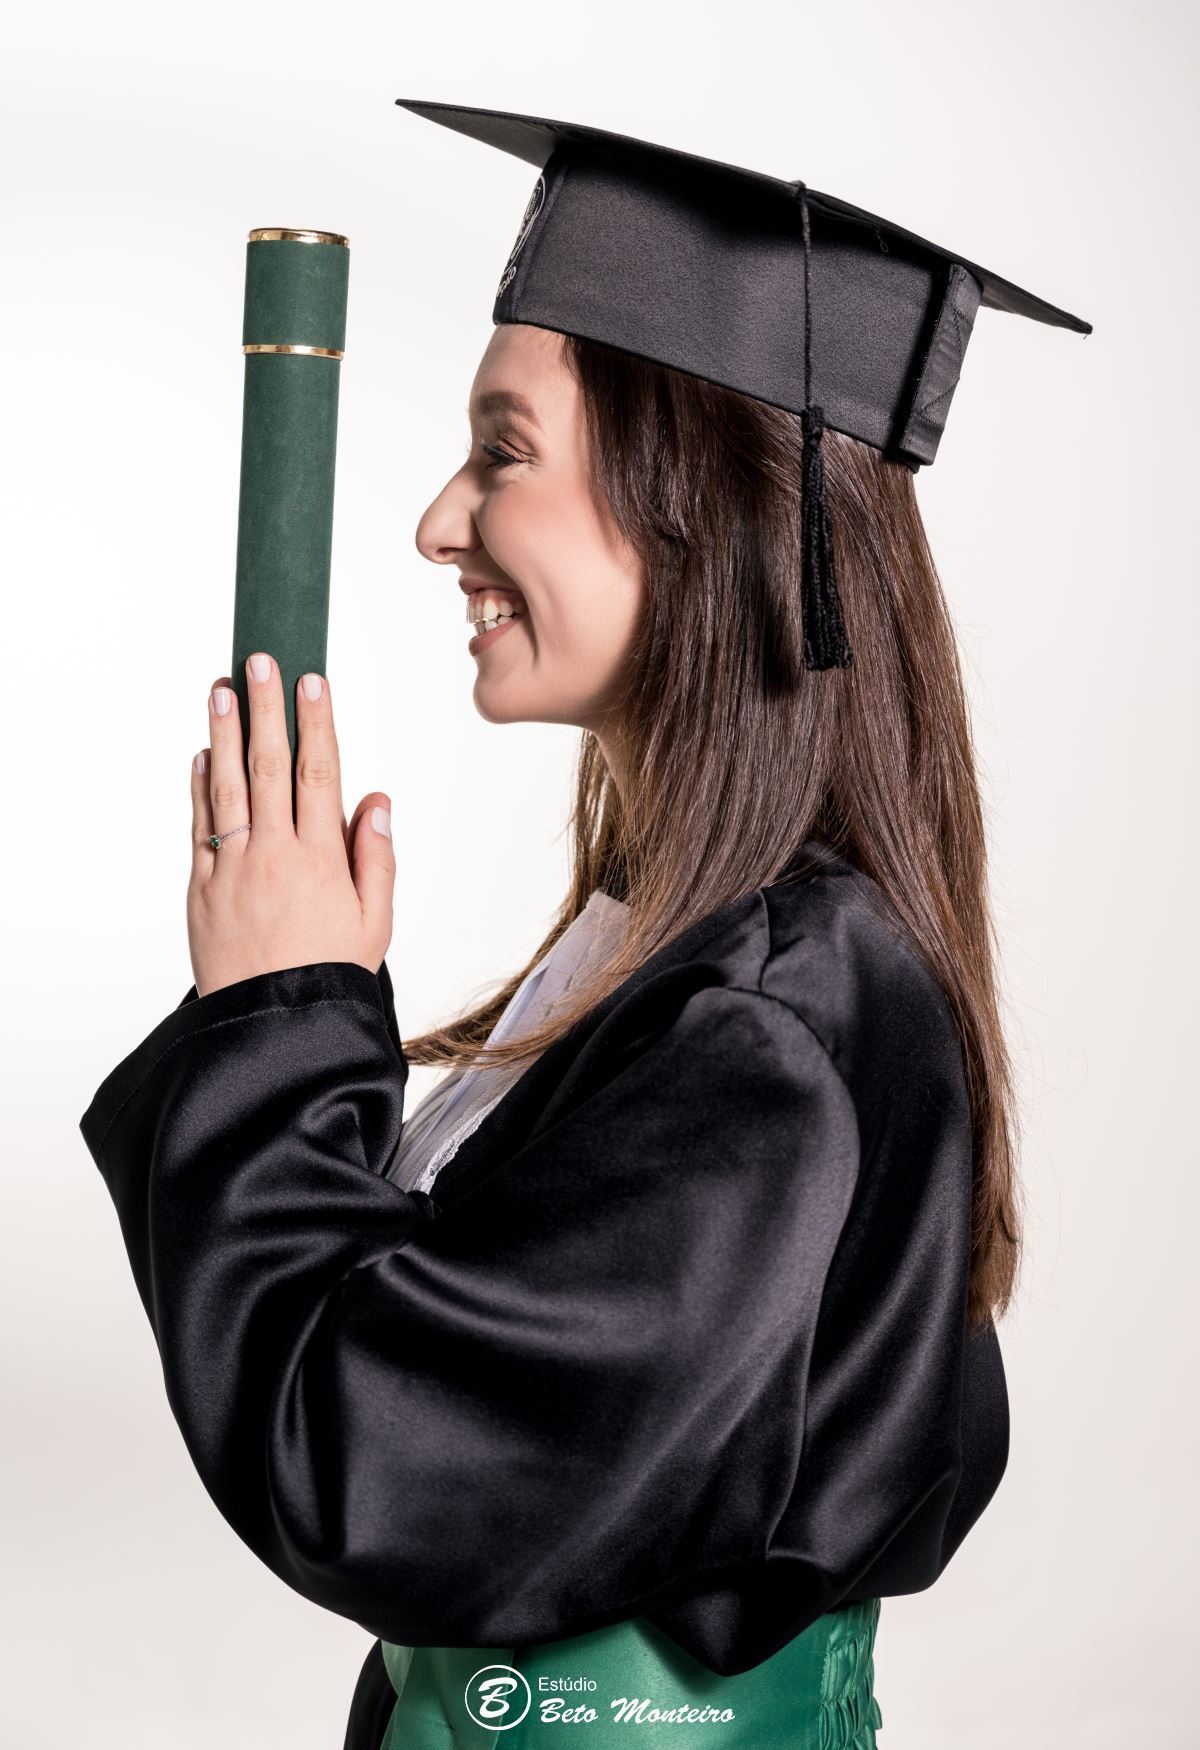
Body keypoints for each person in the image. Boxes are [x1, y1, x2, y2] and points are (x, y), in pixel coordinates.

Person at [79, 102, 1091, 1749]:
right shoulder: (685, 949)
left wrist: (279, 1022)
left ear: (697, 494)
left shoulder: (773, 1027)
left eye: (503, 449)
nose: (438, 521)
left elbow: (381, 1460)